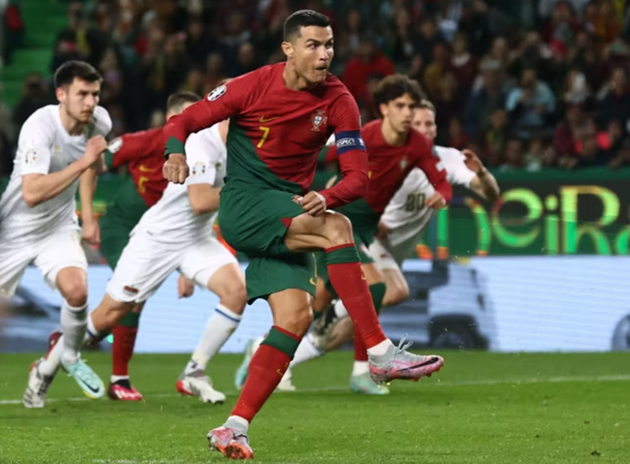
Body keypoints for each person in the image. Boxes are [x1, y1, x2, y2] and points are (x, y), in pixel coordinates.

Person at [162, 10, 451, 460]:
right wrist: (175, 153)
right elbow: (183, 120)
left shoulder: (339, 101)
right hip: (245, 204)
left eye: (330, 44)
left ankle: (233, 427)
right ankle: (379, 351)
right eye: (314, 45)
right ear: (289, 49)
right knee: (338, 228)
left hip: (291, 209)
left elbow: (358, 177)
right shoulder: (249, 85)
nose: (324, 54)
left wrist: (329, 194)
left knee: (294, 319)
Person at [236, 80, 456, 397]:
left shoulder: (417, 144)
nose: (408, 113)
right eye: (401, 106)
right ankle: (362, 371)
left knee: (316, 305)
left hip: (367, 226)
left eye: (411, 107)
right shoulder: (367, 136)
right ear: (384, 109)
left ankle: (262, 348)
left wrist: (442, 196)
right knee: (375, 287)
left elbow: (442, 181)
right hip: (337, 220)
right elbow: (319, 159)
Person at [280, 99, 500, 394]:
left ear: (436, 128)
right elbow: (346, 165)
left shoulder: (447, 160)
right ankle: (357, 367)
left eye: (428, 124)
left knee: (341, 317)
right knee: (387, 291)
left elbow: (490, 193)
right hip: (373, 239)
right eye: (417, 123)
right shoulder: (390, 146)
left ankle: (299, 351)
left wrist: (483, 173)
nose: (422, 129)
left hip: (388, 249)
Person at [39, 117, 246, 405]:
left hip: (194, 239)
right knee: (116, 310)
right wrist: (87, 215)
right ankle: (55, 358)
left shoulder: (242, 148)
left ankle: (191, 372)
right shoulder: (188, 142)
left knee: (236, 291)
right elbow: (200, 201)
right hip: (146, 235)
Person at [0, 60, 112, 408]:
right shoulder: (40, 125)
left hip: (58, 226)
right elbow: (32, 192)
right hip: (13, 231)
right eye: (82, 93)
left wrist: (89, 215)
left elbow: (93, 165)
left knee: (77, 291)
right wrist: (86, 161)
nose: (90, 101)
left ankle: (63, 359)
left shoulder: (100, 121)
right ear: (61, 94)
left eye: (95, 93)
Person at [79, 91, 201, 401]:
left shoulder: (204, 156)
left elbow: (193, 217)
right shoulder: (144, 141)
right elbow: (92, 165)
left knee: (131, 301)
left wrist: (187, 268)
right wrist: (90, 219)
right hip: (122, 228)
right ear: (172, 119)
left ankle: (69, 345)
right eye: (187, 116)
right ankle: (115, 375)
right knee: (132, 296)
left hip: (159, 237)